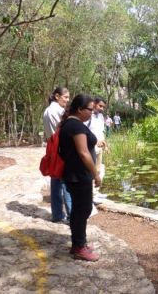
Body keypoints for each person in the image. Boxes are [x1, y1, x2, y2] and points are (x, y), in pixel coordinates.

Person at [59, 94, 101, 261]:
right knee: (82, 210)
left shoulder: (72, 124)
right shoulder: (75, 126)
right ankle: (78, 247)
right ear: (79, 109)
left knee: (81, 209)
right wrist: (96, 174)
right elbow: (83, 153)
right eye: (90, 109)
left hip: (76, 174)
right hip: (78, 175)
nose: (92, 112)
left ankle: (79, 243)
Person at [43, 87, 72, 223]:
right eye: (65, 97)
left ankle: (57, 215)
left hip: (52, 148)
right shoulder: (57, 111)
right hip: (61, 148)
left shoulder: (48, 110)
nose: (67, 100)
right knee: (66, 181)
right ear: (57, 96)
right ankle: (72, 215)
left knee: (55, 181)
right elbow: (65, 129)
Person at [85, 98, 108, 203]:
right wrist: (94, 142)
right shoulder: (88, 116)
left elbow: (102, 131)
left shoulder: (101, 117)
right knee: (91, 171)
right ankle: (90, 196)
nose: (102, 108)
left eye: (103, 107)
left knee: (98, 170)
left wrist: (105, 144)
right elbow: (85, 132)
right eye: (100, 106)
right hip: (91, 148)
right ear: (94, 104)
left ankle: (96, 193)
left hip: (99, 148)